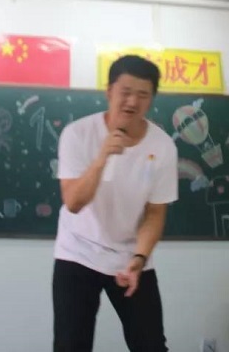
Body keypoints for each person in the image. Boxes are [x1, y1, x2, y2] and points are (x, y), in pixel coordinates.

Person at [52, 55, 178, 352]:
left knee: (151, 345)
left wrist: (139, 259)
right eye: (126, 92)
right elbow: (73, 202)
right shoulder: (77, 134)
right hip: (78, 253)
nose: (132, 102)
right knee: (70, 345)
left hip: (130, 257)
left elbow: (155, 213)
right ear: (109, 92)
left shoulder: (162, 147)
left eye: (143, 94)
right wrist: (102, 157)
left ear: (151, 99)